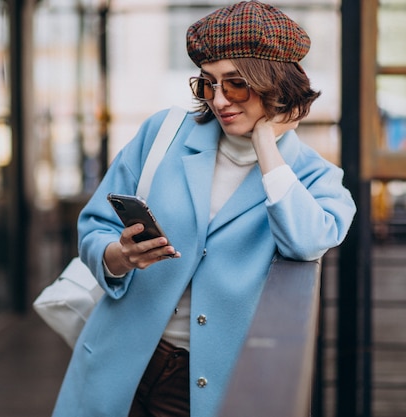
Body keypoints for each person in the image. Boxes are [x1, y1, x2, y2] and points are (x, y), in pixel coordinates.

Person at [51, 2, 356, 416]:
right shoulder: (162, 133)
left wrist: (267, 144)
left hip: (204, 387)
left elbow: (306, 243)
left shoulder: (315, 179)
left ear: (276, 84)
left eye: (235, 85)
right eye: (207, 84)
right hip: (114, 364)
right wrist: (119, 256)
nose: (218, 100)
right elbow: (94, 227)